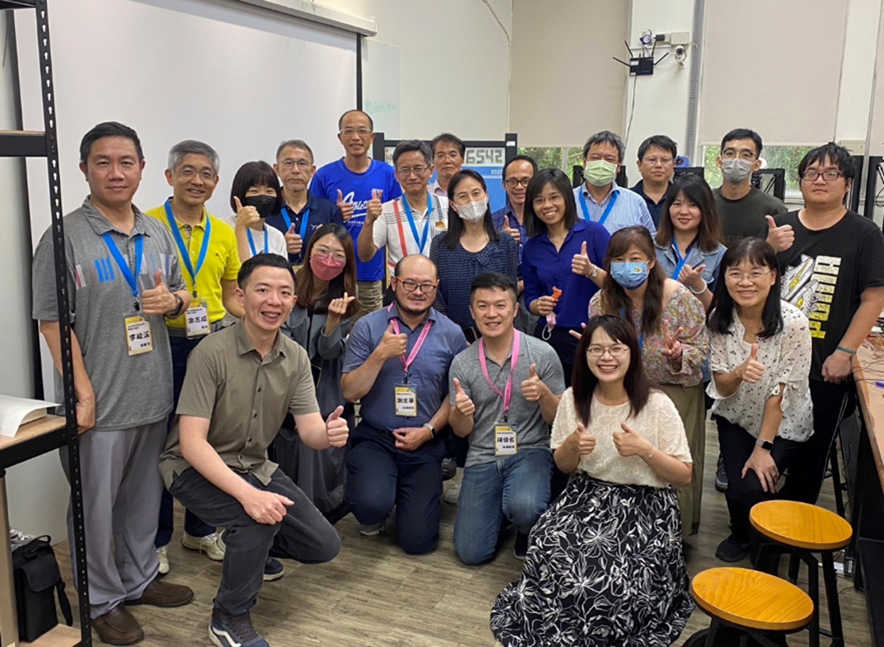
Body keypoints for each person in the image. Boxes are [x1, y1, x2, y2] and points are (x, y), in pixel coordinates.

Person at [33, 122, 194, 646]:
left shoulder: (154, 230)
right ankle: (101, 600)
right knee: (96, 508)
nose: (116, 172)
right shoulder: (64, 237)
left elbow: (181, 289)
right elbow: (53, 322)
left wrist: (175, 302)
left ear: (144, 169)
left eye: (127, 162)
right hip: (97, 403)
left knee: (145, 499)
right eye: (103, 162)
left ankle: (139, 578)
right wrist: (81, 392)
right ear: (84, 170)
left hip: (151, 391)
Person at [159, 254, 347, 647]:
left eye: (283, 292)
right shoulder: (211, 352)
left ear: (294, 301)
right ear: (242, 297)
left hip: (255, 466)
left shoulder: (294, 356)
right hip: (192, 467)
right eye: (262, 290)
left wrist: (328, 434)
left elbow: (309, 429)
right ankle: (229, 616)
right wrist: (249, 497)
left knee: (324, 545)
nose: (273, 301)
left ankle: (248, 549)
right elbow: (191, 444)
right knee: (255, 520)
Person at [491, 315, 694, 646]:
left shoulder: (657, 405)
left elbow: (684, 475)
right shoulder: (573, 399)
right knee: (545, 541)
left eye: (616, 348)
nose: (606, 357)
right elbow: (564, 464)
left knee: (613, 577)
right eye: (596, 349)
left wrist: (645, 451)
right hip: (587, 495)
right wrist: (571, 444)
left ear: (633, 353)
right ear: (584, 356)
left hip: (646, 505)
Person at [766, 142, 884, 505]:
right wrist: (768, 248)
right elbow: (750, 282)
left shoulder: (865, 234)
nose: (820, 180)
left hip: (823, 365)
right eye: (811, 173)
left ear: (847, 182)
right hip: (771, 360)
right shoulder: (779, 227)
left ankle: (792, 527)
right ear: (800, 181)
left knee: (809, 459)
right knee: (764, 448)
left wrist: (845, 352)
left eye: (830, 173)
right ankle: (753, 523)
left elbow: (874, 298)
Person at [145, 140, 243, 573]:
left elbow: (229, 294)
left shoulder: (223, 231)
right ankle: (158, 538)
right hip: (162, 345)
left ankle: (200, 530)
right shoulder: (147, 226)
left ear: (216, 182)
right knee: (163, 443)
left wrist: (260, 316)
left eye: (206, 174)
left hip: (213, 344)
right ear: (169, 176)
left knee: (209, 440)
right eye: (188, 171)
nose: (197, 180)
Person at [341, 255, 468, 554]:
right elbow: (349, 392)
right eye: (410, 283)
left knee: (418, 543)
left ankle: (408, 490)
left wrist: (428, 430)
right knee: (371, 504)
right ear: (394, 284)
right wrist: (379, 355)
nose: (418, 291)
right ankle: (378, 498)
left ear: (436, 288)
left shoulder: (452, 334)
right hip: (377, 436)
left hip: (425, 440)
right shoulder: (368, 328)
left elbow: (456, 393)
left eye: (426, 285)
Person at [589, 226, 708, 534]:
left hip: (674, 390)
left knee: (671, 459)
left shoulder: (680, 299)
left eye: (635, 258)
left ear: (652, 261)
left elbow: (701, 352)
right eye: (618, 259)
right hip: (622, 392)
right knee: (628, 458)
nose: (627, 266)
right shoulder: (601, 302)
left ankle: (673, 533)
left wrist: (678, 355)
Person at [706, 239, 813, 562]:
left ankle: (766, 543)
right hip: (736, 416)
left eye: (756, 273)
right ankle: (740, 533)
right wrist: (739, 372)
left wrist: (762, 449)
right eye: (735, 273)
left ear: (774, 277)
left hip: (782, 423)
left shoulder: (793, 323)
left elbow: (780, 395)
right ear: (724, 278)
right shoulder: (719, 320)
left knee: (755, 484)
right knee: (736, 489)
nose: (745, 282)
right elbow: (722, 388)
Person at [449, 273, 565, 563]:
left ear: (514, 310)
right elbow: (462, 432)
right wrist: (459, 414)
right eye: (483, 306)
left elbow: (559, 420)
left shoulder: (541, 353)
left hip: (530, 449)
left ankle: (524, 521)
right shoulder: (462, 362)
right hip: (483, 455)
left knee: (526, 507)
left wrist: (544, 395)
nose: (492, 314)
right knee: (471, 554)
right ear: (472, 311)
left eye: (500, 305)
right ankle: (501, 513)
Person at [278, 223, 359, 522]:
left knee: (320, 443)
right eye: (322, 251)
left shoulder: (347, 293)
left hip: (324, 381)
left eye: (338, 256)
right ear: (309, 250)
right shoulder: (289, 284)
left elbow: (327, 352)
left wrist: (333, 322)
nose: (328, 261)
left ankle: (318, 510)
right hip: (283, 377)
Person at [522, 168, 610, 383]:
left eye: (554, 197)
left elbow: (618, 284)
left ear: (567, 199)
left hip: (591, 335)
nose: (547, 206)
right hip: (549, 338)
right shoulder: (532, 246)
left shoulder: (594, 233)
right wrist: (537, 305)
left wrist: (592, 271)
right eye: (539, 200)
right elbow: (530, 297)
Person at [311, 111, 403, 316]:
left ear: (372, 137)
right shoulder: (324, 176)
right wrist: (335, 215)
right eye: (349, 131)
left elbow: (397, 221)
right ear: (340, 137)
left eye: (362, 131)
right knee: (330, 336)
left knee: (370, 336)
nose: (355, 137)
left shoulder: (388, 174)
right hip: (331, 275)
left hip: (370, 275)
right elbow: (313, 224)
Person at [429, 170, 519, 341]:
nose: (471, 201)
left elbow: (510, 293)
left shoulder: (505, 243)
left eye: (476, 193)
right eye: (463, 196)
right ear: (454, 205)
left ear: (486, 196)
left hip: (497, 336)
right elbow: (436, 296)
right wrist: (454, 337)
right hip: (450, 338)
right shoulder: (441, 245)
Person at [357, 140, 448, 288]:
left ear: (430, 171)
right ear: (397, 175)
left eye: (418, 169)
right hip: (402, 290)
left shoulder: (448, 207)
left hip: (440, 289)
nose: (412, 176)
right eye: (405, 170)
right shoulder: (386, 211)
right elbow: (365, 255)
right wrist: (368, 221)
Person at [654, 173, 727, 311]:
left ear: (706, 210)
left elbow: (718, 311)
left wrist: (698, 285)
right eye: (677, 204)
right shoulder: (649, 245)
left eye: (693, 205)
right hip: (653, 327)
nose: (684, 211)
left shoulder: (719, 254)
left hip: (698, 330)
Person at [267, 139, 343, 268]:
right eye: (288, 163)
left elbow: (341, 254)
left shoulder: (329, 210)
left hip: (318, 284)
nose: (295, 170)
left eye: (302, 163)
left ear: (313, 170)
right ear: (277, 169)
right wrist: (280, 246)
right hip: (276, 283)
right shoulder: (266, 210)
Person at [573, 130, 656, 235]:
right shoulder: (568, 199)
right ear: (585, 163)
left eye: (609, 159)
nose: (602, 164)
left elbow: (650, 243)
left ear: (618, 167)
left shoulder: (635, 202)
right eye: (595, 158)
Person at [714, 128, 787, 245]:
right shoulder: (703, 203)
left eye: (746, 155)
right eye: (729, 153)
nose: (736, 159)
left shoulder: (773, 209)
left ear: (757, 165)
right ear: (719, 162)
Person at [493, 154, 538, 333]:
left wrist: (524, 283)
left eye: (525, 181)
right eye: (513, 181)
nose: (519, 187)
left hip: (539, 296)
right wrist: (500, 243)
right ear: (504, 185)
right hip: (502, 298)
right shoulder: (492, 221)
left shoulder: (545, 220)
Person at [227, 161, 288, 261]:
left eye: (269, 191)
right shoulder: (225, 228)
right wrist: (241, 227)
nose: (263, 197)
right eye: (254, 191)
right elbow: (237, 271)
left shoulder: (277, 236)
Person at [631, 134, 677, 228]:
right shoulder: (627, 198)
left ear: (673, 165)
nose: (658, 165)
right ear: (639, 164)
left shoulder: (681, 197)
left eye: (665, 160)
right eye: (652, 160)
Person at [429, 132, 465, 198]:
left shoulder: (472, 194)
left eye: (452, 155)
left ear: (462, 159)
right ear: (432, 160)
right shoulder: (426, 195)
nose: (447, 161)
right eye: (441, 156)